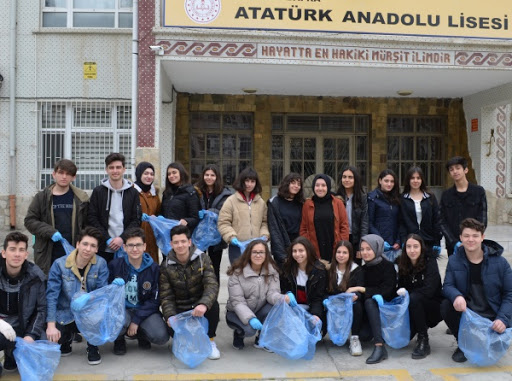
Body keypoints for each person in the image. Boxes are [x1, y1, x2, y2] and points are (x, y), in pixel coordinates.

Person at [441, 218, 512, 363]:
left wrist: (502, 319)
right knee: (445, 305)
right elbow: (447, 285)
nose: (470, 240)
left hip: (493, 313)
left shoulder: (500, 262)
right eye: (466, 236)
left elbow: (509, 293)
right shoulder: (454, 260)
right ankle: (463, 344)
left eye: (475, 236)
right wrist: (456, 296)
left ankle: (492, 335)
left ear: (482, 237)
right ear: (460, 238)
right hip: (469, 314)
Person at [46, 226, 109, 365]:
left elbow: (102, 293)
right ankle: (67, 337)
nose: (88, 249)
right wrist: (51, 325)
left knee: (103, 312)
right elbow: (51, 296)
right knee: (55, 335)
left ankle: (92, 346)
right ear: (77, 244)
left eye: (93, 246)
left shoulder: (101, 264)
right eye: (85, 244)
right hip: (65, 313)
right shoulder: (59, 264)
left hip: (89, 313)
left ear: (97, 249)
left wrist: (89, 297)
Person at [159, 225, 221, 360]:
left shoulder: (202, 258)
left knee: (213, 305)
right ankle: (187, 339)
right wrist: (170, 316)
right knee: (169, 327)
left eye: (183, 241)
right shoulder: (166, 265)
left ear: (189, 242)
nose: (180, 245)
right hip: (181, 307)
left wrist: (204, 304)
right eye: (176, 242)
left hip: (199, 306)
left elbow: (211, 284)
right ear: (171, 244)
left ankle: (210, 340)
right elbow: (166, 295)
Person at [108, 228, 169, 355]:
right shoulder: (115, 265)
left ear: (144, 246)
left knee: (161, 336)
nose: (134, 249)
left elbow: (155, 299)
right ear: (124, 247)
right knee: (113, 325)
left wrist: (136, 320)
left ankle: (142, 333)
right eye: (130, 245)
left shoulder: (154, 269)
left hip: (145, 310)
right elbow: (107, 294)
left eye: (138, 245)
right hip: (122, 309)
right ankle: (119, 340)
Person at [24, 159, 89, 274]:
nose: (64, 177)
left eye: (68, 174)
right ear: (54, 174)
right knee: (49, 288)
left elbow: (87, 224)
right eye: (61, 173)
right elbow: (29, 221)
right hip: (47, 252)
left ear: (73, 177)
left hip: (73, 251)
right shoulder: (41, 197)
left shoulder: (81, 199)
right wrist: (50, 232)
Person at [0, 232, 46, 375]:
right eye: (12, 249)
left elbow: (41, 309)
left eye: (21, 250)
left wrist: (31, 335)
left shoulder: (35, 276)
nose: (17, 254)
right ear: (3, 253)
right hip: (2, 325)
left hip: (24, 324)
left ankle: (11, 354)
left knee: (40, 356)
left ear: (26, 254)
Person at [226, 239, 281, 350]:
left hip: (259, 309)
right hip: (236, 312)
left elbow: (272, 294)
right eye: (254, 252)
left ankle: (262, 336)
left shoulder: (272, 271)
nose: (258, 255)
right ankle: (239, 334)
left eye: (261, 252)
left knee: (275, 307)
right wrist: (250, 318)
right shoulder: (237, 273)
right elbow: (237, 301)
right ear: (248, 254)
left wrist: (282, 298)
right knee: (249, 330)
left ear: (266, 254)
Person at [88, 153, 141, 263]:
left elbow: (136, 219)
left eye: (118, 167)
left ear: (124, 169)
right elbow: (92, 218)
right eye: (111, 167)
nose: (115, 171)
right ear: (107, 170)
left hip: (126, 246)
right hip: (102, 246)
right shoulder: (98, 192)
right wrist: (107, 239)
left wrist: (122, 238)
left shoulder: (133, 193)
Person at [397, 234, 442, 360]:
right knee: (403, 339)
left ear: (421, 247)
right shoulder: (403, 263)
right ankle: (417, 326)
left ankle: (423, 340)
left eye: (416, 246)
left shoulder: (430, 261)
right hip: (413, 304)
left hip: (433, 305)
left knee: (415, 298)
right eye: (409, 247)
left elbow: (430, 289)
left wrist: (410, 294)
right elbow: (400, 287)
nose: (412, 250)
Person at [218, 167, 269, 264]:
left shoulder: (261, 202)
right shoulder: (231, 201)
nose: (249, 184)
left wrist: (264, 235)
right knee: (238, 275)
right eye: (247, 181)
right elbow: (223, 222)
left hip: (256, 248)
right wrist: (231, 237)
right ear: (242, 181)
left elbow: (264, 222)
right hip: (237, 247)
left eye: (253, 181)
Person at [359, 234, 397, 364]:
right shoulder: (362, 269)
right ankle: (376, 333)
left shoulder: (387, 266)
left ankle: (379, 347)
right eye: (362, 249)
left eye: (368, 249)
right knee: (364, 336)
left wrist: (366, 291)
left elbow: (388, 290)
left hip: (385, 308)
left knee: (371, 301)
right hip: (368, 313)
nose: (365, 252)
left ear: (377, 248)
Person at [439, 156, 487, 256]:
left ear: (465, 170)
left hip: (474, 243)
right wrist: (454, 242)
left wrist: (472, 238)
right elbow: (442, 221)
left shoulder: (478, 192)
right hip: (453, 245)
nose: (455, 171)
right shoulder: (446, 195)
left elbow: (482, 217)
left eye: (457, 168)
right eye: (451, 169)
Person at [280, 237, 327, 333]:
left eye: (301, 251)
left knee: (311, 330)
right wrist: (286, 294)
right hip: (293, 307)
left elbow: (318, 297)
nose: (297, 254)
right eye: (294, 251)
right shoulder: (287, 268)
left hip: (311, 307)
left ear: (308, 251)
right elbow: (283, 289)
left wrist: (316, 315)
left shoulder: (319, 271)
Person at [326, 240, 365, 356]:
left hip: (350, 305)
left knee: (357, 306)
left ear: (350, 255)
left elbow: (360, 292)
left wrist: (355, 296)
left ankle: (354, 338)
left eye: (345, 253)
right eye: (339, 252)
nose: (341, 255)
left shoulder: (357, 270)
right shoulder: (329, 270)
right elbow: (324, 291)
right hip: (334, 305)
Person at [299, 174, 349, 263]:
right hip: (314, 248)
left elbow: (344, 226)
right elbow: (303, 228)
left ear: (328, 187)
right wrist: (308, 245)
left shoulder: (338, 203)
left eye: (323, 185)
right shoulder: (307, 204)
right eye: (317, 185)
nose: (320, 188)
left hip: (334, 246)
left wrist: (342, 246)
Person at [195, 164, 232, 281]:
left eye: (212, 175)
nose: (209, 177)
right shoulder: (196, 191)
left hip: (216, 236)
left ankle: (213, 297)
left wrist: (209, 212)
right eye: (207, 175)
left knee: (214, 267)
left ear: (217, 177)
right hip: (199, 235)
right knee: (198, 267)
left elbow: (225, 212)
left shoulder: (225, 194)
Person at [399, 167, 442, 254]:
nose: (415, 181)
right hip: (410, 242)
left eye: (418, 178)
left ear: (422, 180)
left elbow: (436, 220)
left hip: (429, 241)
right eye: (412, 178)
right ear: (408, 180)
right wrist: (403, 240)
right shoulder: (403, 199)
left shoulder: (430, 197)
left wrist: (437, 241)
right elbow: (401, 222)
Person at [267, 172, 304, 268]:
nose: (296, 186)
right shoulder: (274, 202)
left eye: (299, 184)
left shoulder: (301, 203)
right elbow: (274, 230)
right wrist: (282, 255)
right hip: (282, 245)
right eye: (293, 183)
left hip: (298, 245)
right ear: (286, 184)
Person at [336, 166, 368, 262]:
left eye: (350, 177)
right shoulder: (336, 197)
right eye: (344, 177)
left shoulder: (362, 198)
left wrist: (361, 246)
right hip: (340, 237)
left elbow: (364, 223)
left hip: (355, 238)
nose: (347, 180)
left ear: (356, 179)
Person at [368, 169, 401, 255]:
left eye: (392, 181)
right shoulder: (372, 198)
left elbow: (400, 222)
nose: (389, 184)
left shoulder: (397, 199)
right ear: (380, 181)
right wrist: (380, 240)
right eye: (386, 181)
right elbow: (369, 223)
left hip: (395, 245)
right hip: (378, 244)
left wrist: (398, 240)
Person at [161, 162, 201, 232]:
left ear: (181, 173)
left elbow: (195, 218)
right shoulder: (166, 193)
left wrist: (186, 221)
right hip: (167, 232)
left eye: (174, 172)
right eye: (169, 174)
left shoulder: (190, 192)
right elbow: (163, 213)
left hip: (182, 234)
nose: (171, 176)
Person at [134, 162, 161, 264]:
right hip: (137, 236)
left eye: (151, 174)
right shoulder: (132, 191)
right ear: (139, 174)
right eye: (146, 173)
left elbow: (158, 210)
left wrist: (158, 217)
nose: (149, 176)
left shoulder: (154, 194)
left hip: (152, 237)